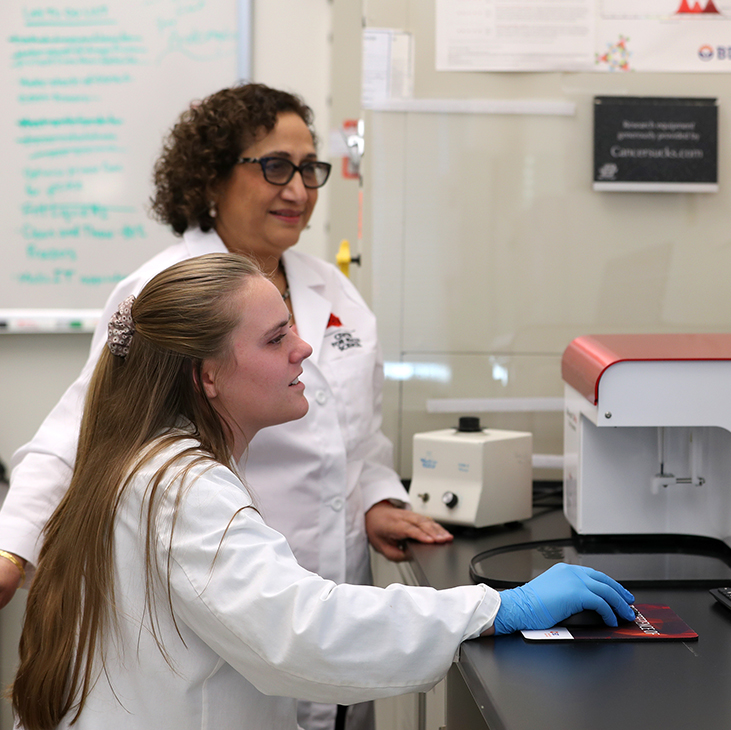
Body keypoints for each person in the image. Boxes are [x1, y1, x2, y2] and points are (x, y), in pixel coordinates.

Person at [11, 254, 636, 730]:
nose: (304, 347)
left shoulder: (143, 462)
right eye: (276, 337)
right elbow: (303, 631)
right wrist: (496, 609)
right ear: (207, 377)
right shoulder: (182, 488)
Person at [0, 83, 451, 730]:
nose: (297, 190)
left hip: (332, 598)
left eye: (308, 168)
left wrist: (377, 497)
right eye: (274, 167)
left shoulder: (334, 291)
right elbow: (78, 437)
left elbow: (358, 432)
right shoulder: (160, 293)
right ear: (211, 177)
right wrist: (12, 552)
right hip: (219, 606)